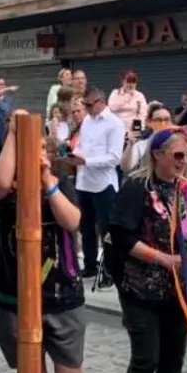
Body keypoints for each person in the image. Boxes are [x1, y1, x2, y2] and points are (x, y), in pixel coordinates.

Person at [0, 111, 102, 373]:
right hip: (11, 293)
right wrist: (15, 133)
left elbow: (73, 221)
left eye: (39, 153)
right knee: (28, 362)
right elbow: (0, 184)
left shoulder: (59, 182)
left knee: (67, 360)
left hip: (61, 292)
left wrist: (46, 178)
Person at [107, 128, 187, 373]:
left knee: (173, 356)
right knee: (146, 356)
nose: (184, 162)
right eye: (178, 155)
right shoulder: (137, 186)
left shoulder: (185, 189)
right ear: (157, 154)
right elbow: (120, 235)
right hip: (141, 286)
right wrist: (162, 259)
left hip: (178, 289)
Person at [75, 88, 125, 280]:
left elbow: (114, 158)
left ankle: (110, 269)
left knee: (107, 229)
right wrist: (76, 156)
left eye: (89, 105)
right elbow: (82, 145)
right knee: (86, 227)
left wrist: (87, 161)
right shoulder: (87, 120)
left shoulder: (114, 124)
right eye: (84, 105)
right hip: (84, 181)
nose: (86, 109)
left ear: (101, 102)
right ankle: (90, 265)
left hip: (104, 183)